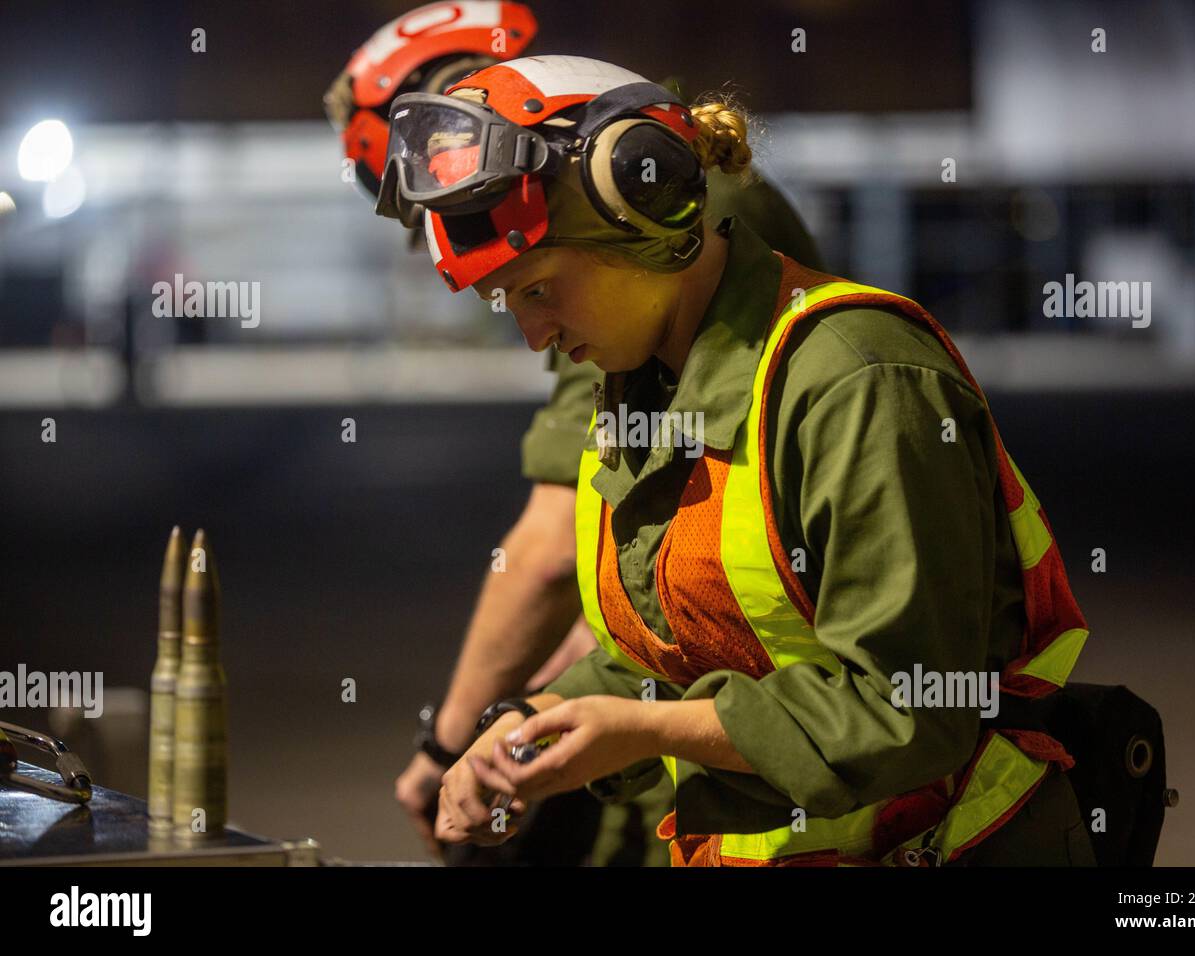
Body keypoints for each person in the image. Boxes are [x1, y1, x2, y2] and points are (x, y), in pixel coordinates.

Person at [377, 53, 1097, 867]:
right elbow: (680, 655)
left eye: (539, 288)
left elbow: (914, 707)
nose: (533, 335)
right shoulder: (643, 384)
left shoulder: (858, 381)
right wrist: (528, 723)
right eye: (507, 302)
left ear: (638, 212)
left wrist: (645, 730)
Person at [326, 5, 825, 865]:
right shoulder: (643, 210)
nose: (532, 328)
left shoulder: (625, 237)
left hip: (779, 760)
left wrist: (450, 742)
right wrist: (542, 708)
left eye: (533, 288)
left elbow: (554, 547)